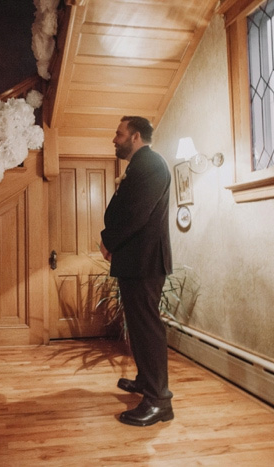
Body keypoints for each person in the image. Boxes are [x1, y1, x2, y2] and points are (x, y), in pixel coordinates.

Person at [100, 116, 173, 427]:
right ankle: (146, 380)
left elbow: (136, 214)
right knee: (139, 326)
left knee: (147, 327)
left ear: (136, 136)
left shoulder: (152, 164)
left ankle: (159, 402)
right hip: (136, 261)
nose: (114, 139)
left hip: (144, 261)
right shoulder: (139, 165)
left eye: (119, 134)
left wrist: (108, 241)